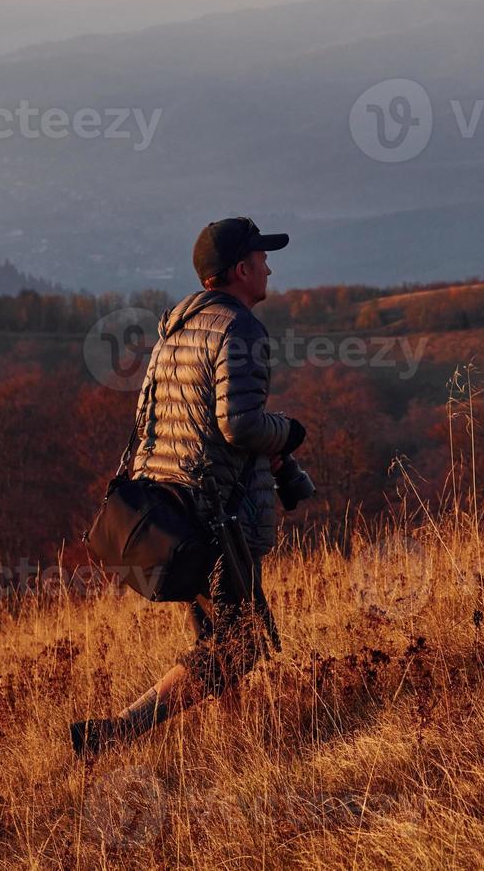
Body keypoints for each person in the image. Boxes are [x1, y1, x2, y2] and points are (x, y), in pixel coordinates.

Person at [71, 217, 308, 757]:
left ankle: (234, 748)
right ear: (241, 269)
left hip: (172, 509)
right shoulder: (240, 328)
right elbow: (239, 424)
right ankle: (114, 733)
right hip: (218, 516)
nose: (270, 267)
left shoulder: (174, 328)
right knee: (238, 644)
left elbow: (156, 417)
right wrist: (291, 431)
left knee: (221, 641)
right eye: (262, 258)